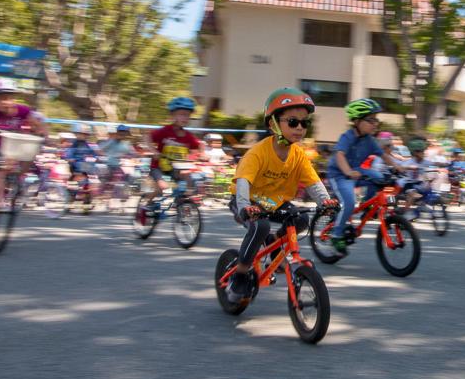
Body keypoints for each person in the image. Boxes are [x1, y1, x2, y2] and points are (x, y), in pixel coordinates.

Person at [226, 87, 338, 302]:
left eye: (305, 123)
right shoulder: (258, 153)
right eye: (293, 122)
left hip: (273, 202)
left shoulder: (298, 155)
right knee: (260, 225)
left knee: (301, 219)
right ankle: (240, 273)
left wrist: (326, 202)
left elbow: (313, 183)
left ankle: (274, 250)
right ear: (273, 124)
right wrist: (243, 208)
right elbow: (243, 183)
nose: (300, 128)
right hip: (247, 200)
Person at [326, 98, 406, 256]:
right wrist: (348, 172)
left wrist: (396, 166)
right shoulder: (347, 137)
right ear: (357, 121)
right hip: (339, 175)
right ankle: (336, 235)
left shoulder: (370, 140)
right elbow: (339, 155)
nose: (375, 123)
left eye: (376, 120)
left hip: (357, 171)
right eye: (371, 120)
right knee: (349, 203)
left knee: (380, 177)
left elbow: (383, 154)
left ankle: (367, 206)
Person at [0, 77, 44, 217]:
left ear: (13, 98)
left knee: (5, 170)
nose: (3, 102)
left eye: (7, 98)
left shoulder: (23, 110)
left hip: (13, 147)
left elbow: (37, 124)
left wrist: (40, 132)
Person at [137, 97, 201, 223]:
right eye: (181, 114)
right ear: (173, 115)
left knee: (187, 180)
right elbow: (147, 137)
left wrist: (201, 155)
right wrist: (154, 151)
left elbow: (197, 147)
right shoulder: (165, 131)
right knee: (162, 187)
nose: (185, 118)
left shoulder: (188, 136)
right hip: (159, 166)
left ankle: (183, 205)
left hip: (176, 168)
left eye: (187, 115)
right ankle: (146, 205)